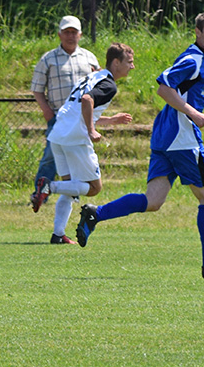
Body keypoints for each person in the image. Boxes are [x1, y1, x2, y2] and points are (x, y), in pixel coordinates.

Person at [76, 11, 204, 279]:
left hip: (165, 136)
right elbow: (164, 87)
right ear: (198, 32)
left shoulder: (199, 59)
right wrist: (193, 113)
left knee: (153, 201)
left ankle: (96, 214)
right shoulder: (193, 59)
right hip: (181, 138)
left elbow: (192, 93)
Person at [32, 43, 135, 245]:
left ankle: (58, 234)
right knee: (94, 188)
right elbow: (87, 100)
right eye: (129, 62)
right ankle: (48, 187)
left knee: (72, 187)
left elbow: (81, 108)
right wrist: (91, 130)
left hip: (59, 133)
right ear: (116, 62)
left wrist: (110, 120)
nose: (132, 67)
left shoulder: (93, 76)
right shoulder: (109, 84)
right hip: (75, 138)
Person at [30, 15, 100, 195]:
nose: (70, 36)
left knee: (78, 157)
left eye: (74, 32)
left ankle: (73, 193)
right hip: (59, 117)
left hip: (82, 118)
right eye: (67, 32)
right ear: (59, 35)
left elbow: (98, 86)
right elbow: (37, 88)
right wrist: (46, 110)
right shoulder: (48, 59)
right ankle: (40, 193)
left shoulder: (89, 58)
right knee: (50, 157)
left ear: (80, 35)